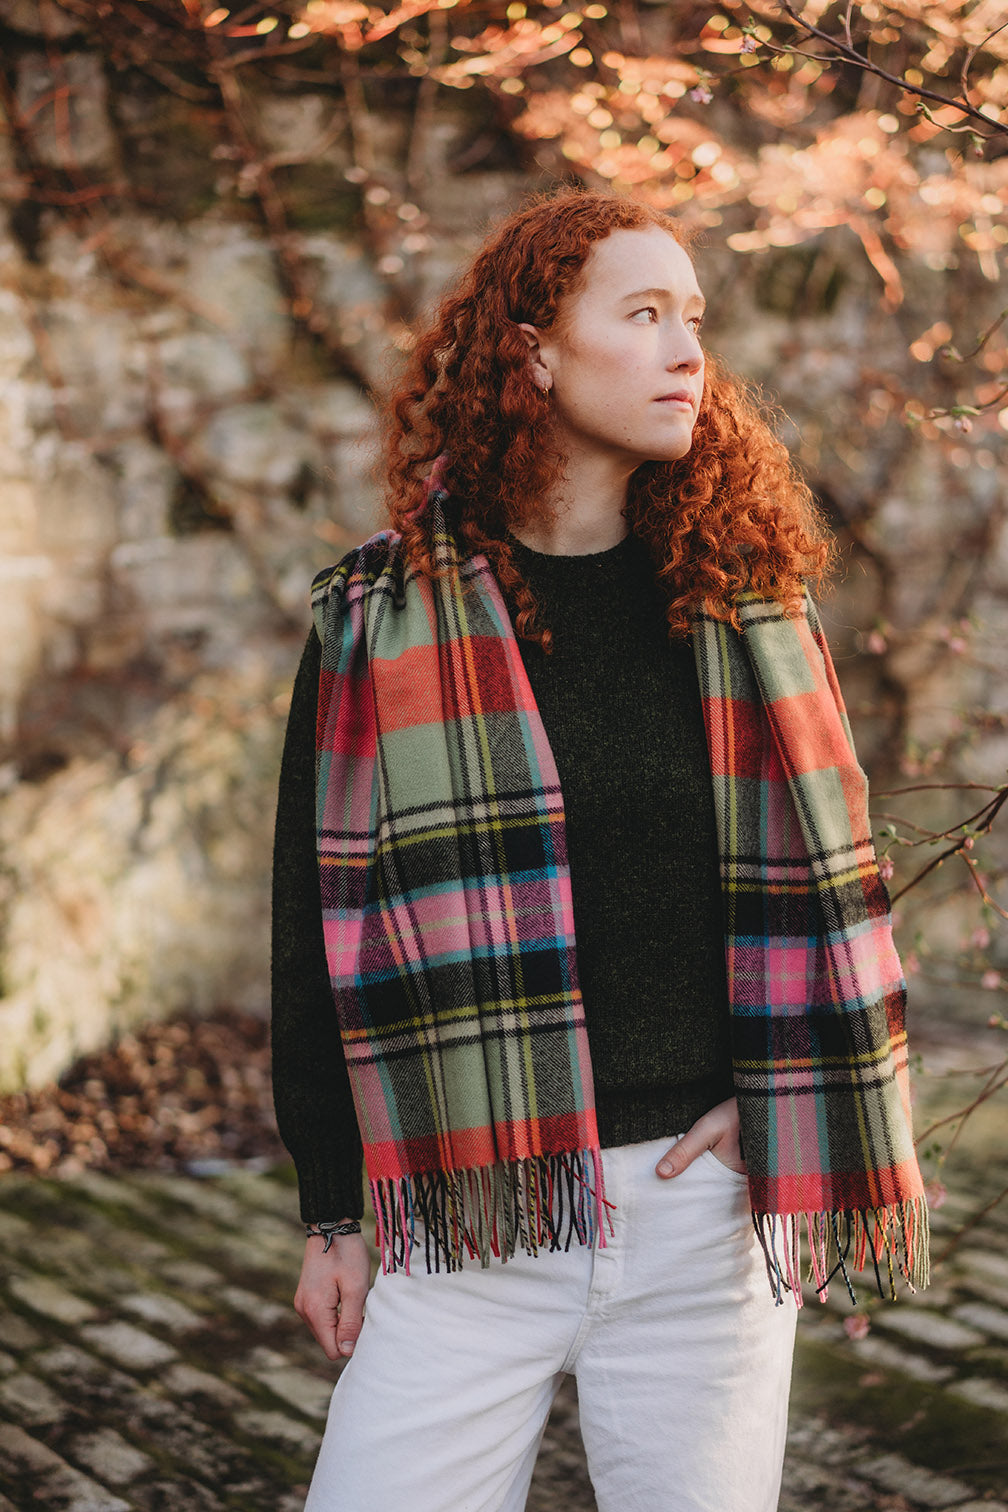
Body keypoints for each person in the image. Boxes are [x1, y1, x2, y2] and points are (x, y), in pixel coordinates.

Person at [270, 185, 928, 1512]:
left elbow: (828, 891)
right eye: (643, 313)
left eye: (694, 316)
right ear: (533, 352)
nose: (690, 349)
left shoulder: (745, 607)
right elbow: (310, 927)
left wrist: (775, 1101)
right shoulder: (375, 618)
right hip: (470, 1213)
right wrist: (334, 1211)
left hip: (705, 1220)